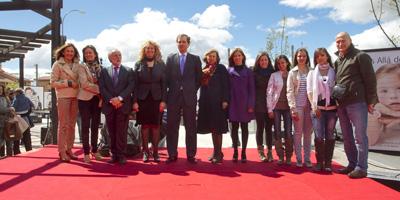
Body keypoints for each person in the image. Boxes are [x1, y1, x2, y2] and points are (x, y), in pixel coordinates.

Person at [334, 32, 378, 178]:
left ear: (350, 40)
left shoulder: (360, 56)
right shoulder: (338, 60)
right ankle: (352, 164)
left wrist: (371, 100)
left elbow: (370, 79)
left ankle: (362, 167)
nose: (340, 44)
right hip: (342, 104)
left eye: (343, 41)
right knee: (347, 136)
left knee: (359, 136)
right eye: (338, 42)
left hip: (357, 102)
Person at [165, 34, 202, 164]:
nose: (181, 44)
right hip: (173, 98)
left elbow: (199, 79)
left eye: (184, 42)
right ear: (177, 43)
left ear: (188, 44)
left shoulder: (195, 59)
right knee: (172, 127)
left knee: (191, 127)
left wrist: (190, 90)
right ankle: (172, 154)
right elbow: (166, 79)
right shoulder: (170, 58)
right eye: (179, 42)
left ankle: (191, 155)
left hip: (189, 98)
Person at [133, 41, 167, 163]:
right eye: (147, 49)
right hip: (142, 99)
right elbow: (135, 84)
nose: (150, 51)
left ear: (155, 50)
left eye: (152, 49)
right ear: (144, 50)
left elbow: (164, 84)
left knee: (156, 126)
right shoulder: (138, 64)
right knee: (145, 126)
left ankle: (156, 152)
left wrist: (164, 101)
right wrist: (135, 101)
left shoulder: (161, 64)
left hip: (157, 99)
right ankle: (146, 152)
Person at [99, 49, 134, 165]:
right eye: (115, 55)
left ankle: (121, 155)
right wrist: (112, 100)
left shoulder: (129, 71)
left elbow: (130, 87)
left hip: (123, 106)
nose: (118, 57)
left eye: (119, 55)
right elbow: (102, 87)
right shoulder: (104, 71)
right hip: (109, 106)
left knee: (122, 132)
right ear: (110, 59)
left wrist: (119, 98)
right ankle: (113, 154)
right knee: (111, 132)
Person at [307, 48, 337, 172]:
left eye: (322, 55)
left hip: (332, 109)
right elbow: (309, 92)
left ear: (327, 57)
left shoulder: (334, 71)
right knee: (319, 136)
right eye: (317, 56)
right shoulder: (312, 73)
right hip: (317, 109)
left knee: (330, 135)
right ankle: (319, 162)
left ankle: (328, 163)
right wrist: (314, 107)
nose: (320, 58)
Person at [197, 49, 230, 164]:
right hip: (206, 102)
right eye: (209, 56)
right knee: (212, 128)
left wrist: (225, 100)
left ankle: (219, 153)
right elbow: (199, 84)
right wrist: (203, 73)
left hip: (218, 102)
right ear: (206, 58)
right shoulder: (203, 69)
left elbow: (226, 85)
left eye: (213, 56)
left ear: (217, 58)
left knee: (218, 129)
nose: (211, 58)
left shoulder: (221, 68)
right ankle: (216, 152)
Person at [50, 43, 80, 162]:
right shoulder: (57, 64)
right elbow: (52, 82)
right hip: (63, 97)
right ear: (63, 52)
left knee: (72, 125)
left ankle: (69, 149)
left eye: (72, 51)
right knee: (63, 125)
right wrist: (67, 83)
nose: (69, 53)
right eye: (67, 51)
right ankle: (61, 151)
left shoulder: (78, 65)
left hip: (76, 96)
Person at [228, 48, 255, 163]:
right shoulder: (229, 70)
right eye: (235, 56)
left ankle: (243, 152)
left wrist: (250, 104)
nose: (237, 57)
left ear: (243, 57)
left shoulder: (248, 71)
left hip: (245, 104)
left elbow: (252, 89)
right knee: (233, 128)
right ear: (232, 58)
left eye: (239, 55)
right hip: (232, 103)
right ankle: (235, 151)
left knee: (244, 128)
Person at [287, 48, 313, 168]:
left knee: (308, 134)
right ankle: (298, 159)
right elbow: (290, 91)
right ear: (296, 58)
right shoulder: (292, 72)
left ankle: (307, 159)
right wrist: (293, 108)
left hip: (310, 107)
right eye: (299, 56)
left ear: (307, 57)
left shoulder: (312, 71)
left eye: (303, 56)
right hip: (298, 107)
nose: (301, 58)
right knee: (297, 133)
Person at [77, 45, 103, 163]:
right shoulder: (81, 66)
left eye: (90, 53)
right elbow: (84, 84)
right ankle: (86, 152)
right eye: (86, 53)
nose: (88, 55)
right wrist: (101, 89)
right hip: (84, 99)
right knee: (85, 126)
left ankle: (95, 150)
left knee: (95, 127)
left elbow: (105, 83)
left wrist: (102, 96)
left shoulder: (101, 68)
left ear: (95, 54)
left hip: (97, 99)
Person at [267, 55, 293, 165]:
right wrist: (269, 109)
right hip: (276, 107)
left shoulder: (292, 74)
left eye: (283, 62)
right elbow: (269, 92)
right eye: (279, 63)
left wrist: (294, 107)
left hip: (288, 108)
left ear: (287, 63)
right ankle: (280, 156)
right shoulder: (274, 75)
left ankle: (288, 157)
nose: (281, 65)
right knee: (277, 131)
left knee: (288, 131)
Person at [368, 64, 400, 147]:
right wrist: (374, 117)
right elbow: (370, 142)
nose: (393, 96)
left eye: (399, 89)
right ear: (376, 93)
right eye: (384, 91)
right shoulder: (376, 112)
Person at [253, 52, 275, 162]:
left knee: (269, 129)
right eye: (261, 60)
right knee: (260, 128)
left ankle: (270, 152)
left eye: (265, 59)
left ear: (268, 61)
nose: (264, 61)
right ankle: (261, 152)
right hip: (259, 103)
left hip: (271, 104)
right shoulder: (254, 73)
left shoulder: (273, 72)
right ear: (258, 61)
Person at [12, 88, 34, 154]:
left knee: (17, 136)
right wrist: (27, 111)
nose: (14, 94)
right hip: (26, 119)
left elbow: (12, 108)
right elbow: (32, 105)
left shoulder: (16, 99)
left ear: (17, 93)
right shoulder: (26, 98)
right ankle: (29, 150)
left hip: (18, 119)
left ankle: (16, 151)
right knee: (27, 136)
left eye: (15, 93)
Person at [0, 86, 14, 158]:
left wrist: (11, 109)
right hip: (1, 123)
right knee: (1, 140)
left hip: (8, 122)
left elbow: (9, 107)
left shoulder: (6, 98)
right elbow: (1, 109)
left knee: (9, 139)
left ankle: (9, 156)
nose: (0, 91)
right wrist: (10, 109)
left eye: (1, 90)